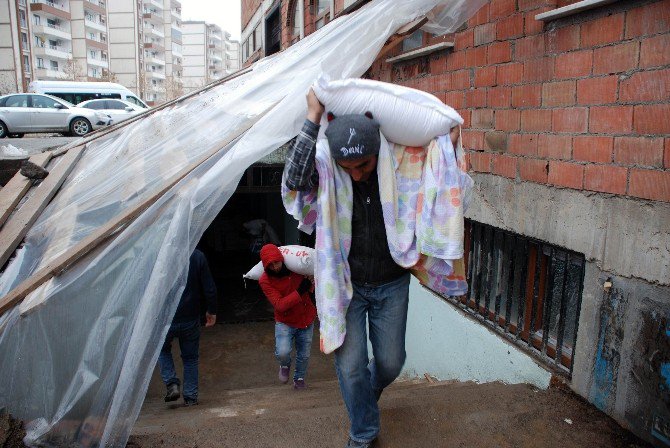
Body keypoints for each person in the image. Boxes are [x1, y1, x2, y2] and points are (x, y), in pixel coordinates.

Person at [284, 90, 459, 448]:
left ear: (377, 152)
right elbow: (294, 181)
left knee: (392, 363)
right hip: (344, 285)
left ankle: (367, 393)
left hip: (391, 283)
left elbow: (440, 165)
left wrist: (448, 144)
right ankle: (363, 433)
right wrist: (313, 115)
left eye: (363, 165)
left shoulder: (401, 165)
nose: (357, 174)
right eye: (348, 168)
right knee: (350, 368)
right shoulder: (329, 173)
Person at [158, 249, 217, 406]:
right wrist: (212, 310)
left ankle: (171, 383)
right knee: (190, 358)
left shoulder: (157, 254)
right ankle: (190, 397)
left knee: (162, 350)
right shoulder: (197, 255)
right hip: (190, 317)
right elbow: (209, 287)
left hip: (164, 317)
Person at [258, 243, 316, 390]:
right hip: (285, 321)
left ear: (281, 259)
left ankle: (299, 378)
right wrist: (300, 291)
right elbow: (280, 305)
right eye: (270, 265)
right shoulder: (265, 280)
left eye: (276, 262)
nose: (275, 267)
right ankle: (285, 364)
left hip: (305, 317)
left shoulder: (296, 268)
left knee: (304, 354)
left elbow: (311, 283)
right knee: (283, 352)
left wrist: (311, 283)